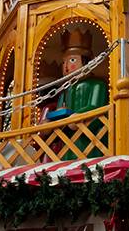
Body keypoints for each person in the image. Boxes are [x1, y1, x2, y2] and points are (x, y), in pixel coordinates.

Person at [44, 28, 108, 160]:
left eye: (72, 60)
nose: (66, 66)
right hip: (68, 146)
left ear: (86, 62)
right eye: (64, 62)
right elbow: (60, 116)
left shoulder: (97, 85)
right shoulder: (65, 90)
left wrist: (77, 117)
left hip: (92, 145)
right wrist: (52, 121)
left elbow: (96, 108)